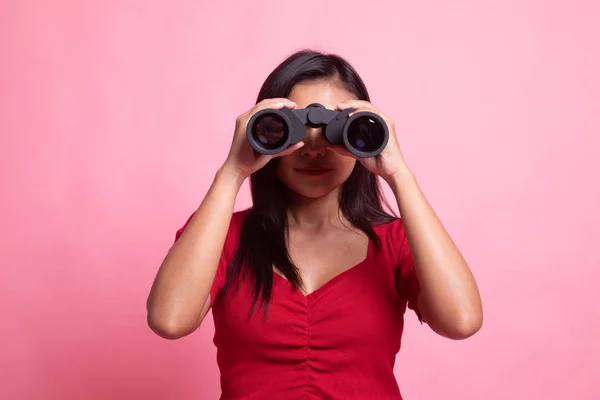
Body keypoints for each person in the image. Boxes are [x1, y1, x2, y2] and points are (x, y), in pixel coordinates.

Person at [146, 49, 483, 399]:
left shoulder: (394, 241)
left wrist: (398, 173)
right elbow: (170, 320)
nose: (313, 148)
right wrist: (233, 171)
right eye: (290, 129)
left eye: (334, 131)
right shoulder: (225, 236)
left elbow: (461, 321)